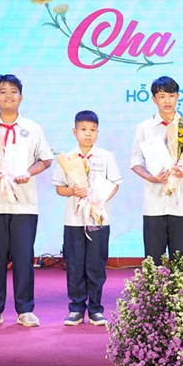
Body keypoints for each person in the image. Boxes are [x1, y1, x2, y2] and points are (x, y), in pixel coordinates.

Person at [0, 74, 54, 329]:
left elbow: (45, 160)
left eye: (13, 91)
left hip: (24, 203)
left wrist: (29, 172)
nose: (8, 95)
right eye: (3, 91)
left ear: (21, 96)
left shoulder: (32, 128)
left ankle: (25, 309)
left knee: (23, 257)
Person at [52, 110, 122, 327]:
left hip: (98, 220)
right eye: (83, 129)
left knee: (96, 264)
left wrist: (99, 200)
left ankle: (96, 309)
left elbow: (115, 184)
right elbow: (59, 189)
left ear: (98, 132)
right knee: (74, 265)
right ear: (74, 132)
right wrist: (73, 191)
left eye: (92, 130)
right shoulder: (67, 159)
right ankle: (76, 308)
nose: (88, 134)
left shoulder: (106, 157)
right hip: (74, 221)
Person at [130, 76, 183, 265]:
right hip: (154, 200)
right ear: (154, 99)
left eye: (171, 95)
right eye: (162, 97)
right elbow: (136, 161)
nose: (167, 101)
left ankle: (179, 285)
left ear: (178, 96)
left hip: (181, 201)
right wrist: (150, 177)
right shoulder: (144, 128)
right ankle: (154, 286)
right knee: (153, 259)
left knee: (180, 260)